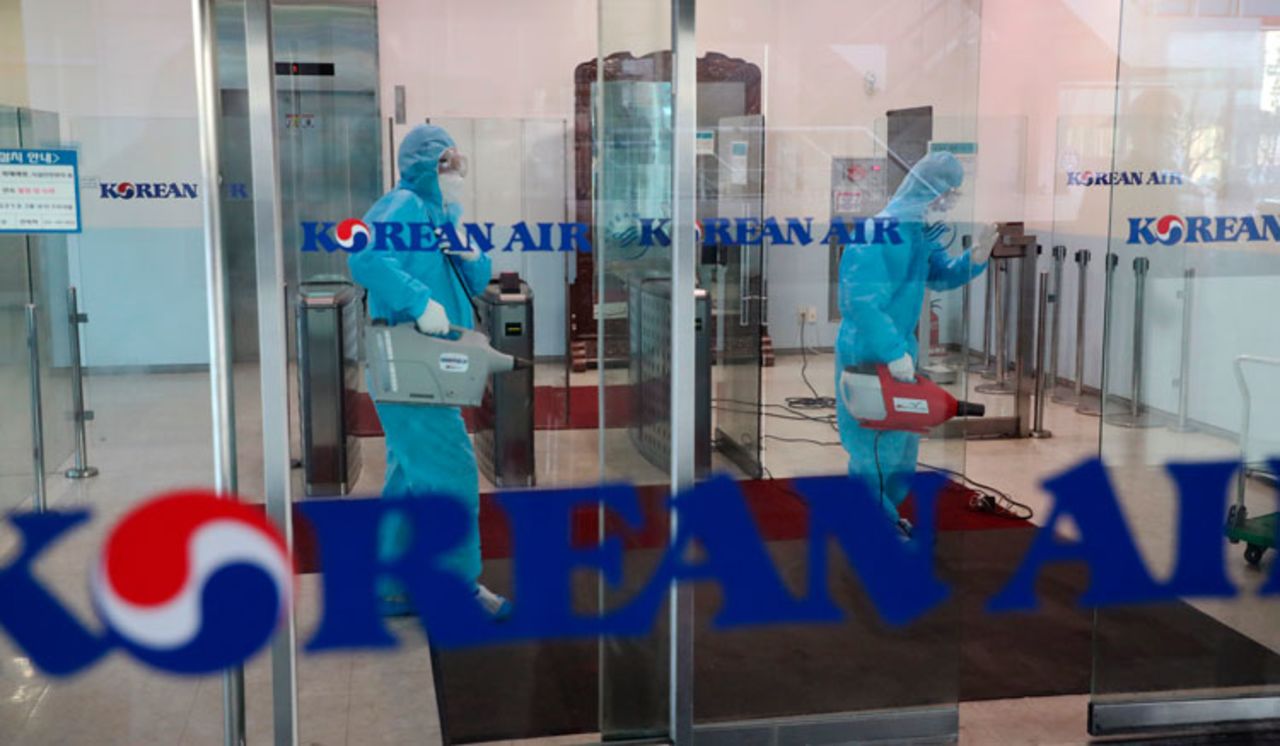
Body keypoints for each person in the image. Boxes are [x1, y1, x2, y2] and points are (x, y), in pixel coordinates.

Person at [349, 124, 509, 618]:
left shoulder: (443, 213)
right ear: (422, 167)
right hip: (407, 359)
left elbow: (476, 277)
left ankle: (394, 585)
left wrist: (470, 251)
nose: (455, 174)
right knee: (451, 469)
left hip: (425, 364)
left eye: (458, 164)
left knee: (406, 471)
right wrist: (419, 301)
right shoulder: (401, 206)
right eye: (446, 165)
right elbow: (364, 257)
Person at [835, 151, 993, 537]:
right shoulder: (880, 232)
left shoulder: (918, 231)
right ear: (927, 188)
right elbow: (861, 302)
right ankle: (874, 525)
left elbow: (938, 275)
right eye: (947, 193)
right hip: (869, 352)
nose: (949, 202)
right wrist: (891, 352)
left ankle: (883, 515)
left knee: (903, 449)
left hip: (900, 352)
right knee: (874, 450)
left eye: (955, 195)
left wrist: (975, 258)